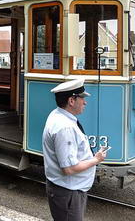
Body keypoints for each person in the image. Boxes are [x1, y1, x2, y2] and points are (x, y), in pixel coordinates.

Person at [42, 79, 107, 221]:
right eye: (82, 98)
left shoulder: (58, 115)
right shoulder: (64, 127)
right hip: (69, 192)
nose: (85, 102)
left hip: (67, 189)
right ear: (72, 100)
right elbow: (69, 169)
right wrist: (96, 159)